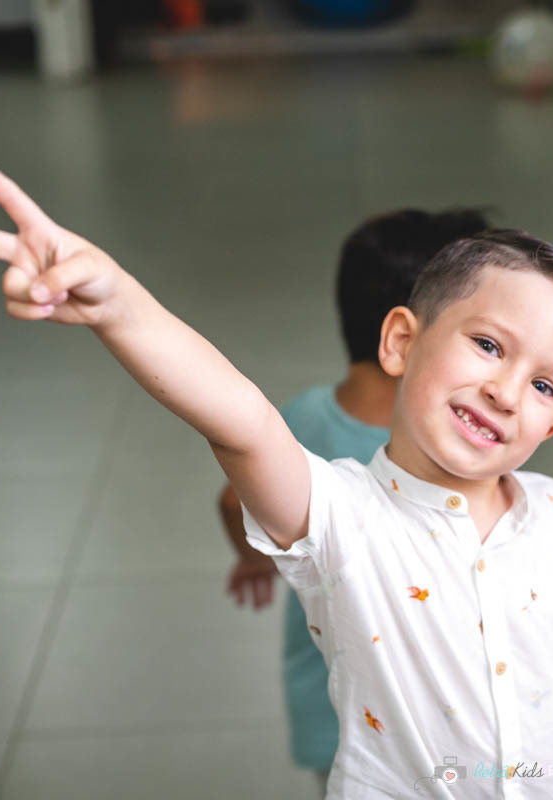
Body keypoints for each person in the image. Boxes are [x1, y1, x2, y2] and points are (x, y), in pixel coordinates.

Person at [0, 167, 553, 800]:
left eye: (545, 385)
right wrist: (119, 304)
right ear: (400, 341)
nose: (508, 392)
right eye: (488, 344)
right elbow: (240, 421)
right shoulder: (339, 515)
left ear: (550, 428)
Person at [217, 208, 489, 795]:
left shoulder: (302, 418)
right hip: (432, 725)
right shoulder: (457, 461)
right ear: (410, 335)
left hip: (329, 704)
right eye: (485, 339)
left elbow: (229, 499)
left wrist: (250, 557)